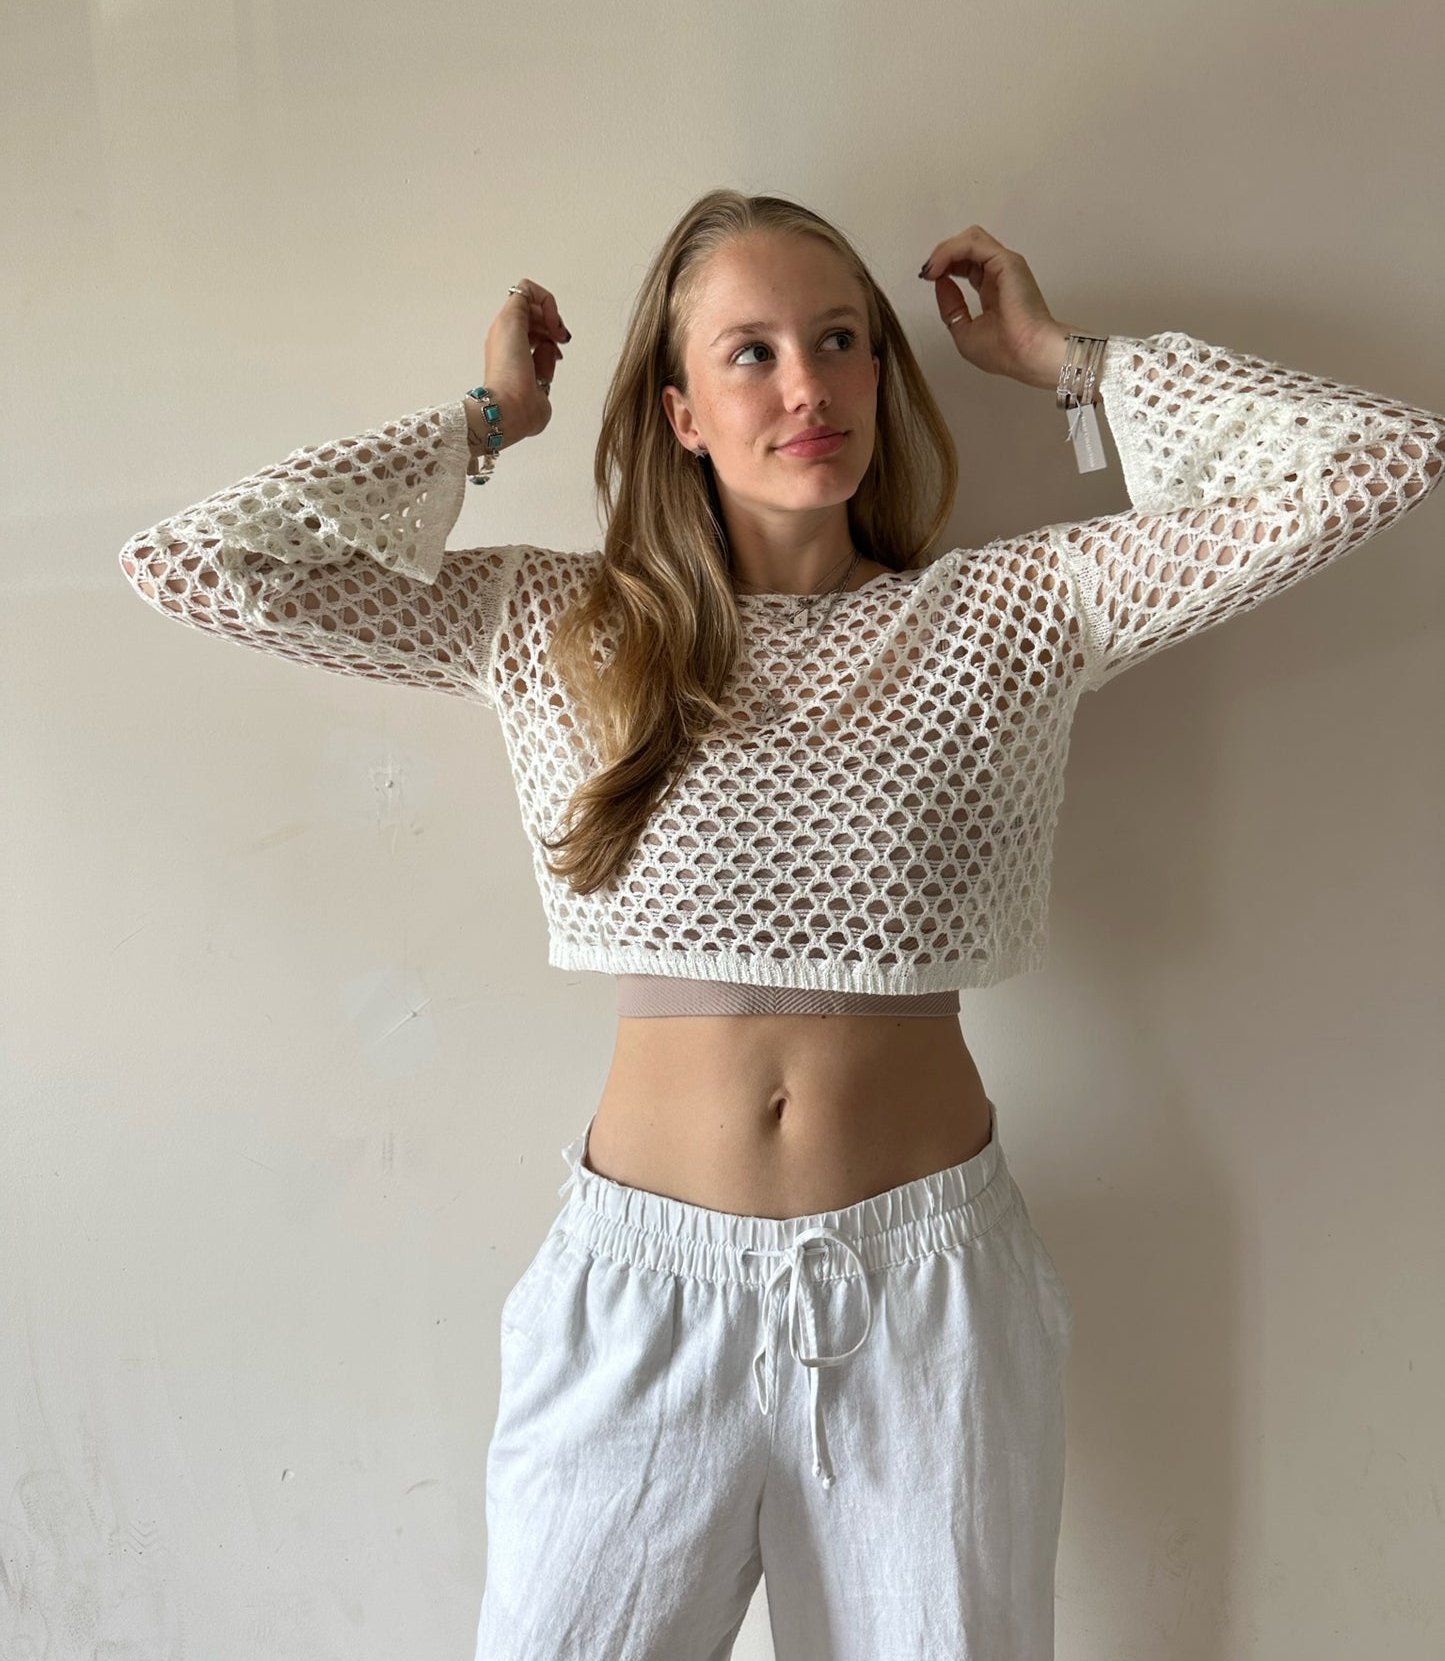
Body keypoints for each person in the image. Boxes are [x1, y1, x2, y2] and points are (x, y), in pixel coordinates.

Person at [118, 200, 1445, 1660]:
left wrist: (1065, 362)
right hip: (638, 1302)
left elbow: (1379, 460)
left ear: (882, 370)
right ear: (679, 412)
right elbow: (198, 564)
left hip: (926, 1302)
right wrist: (490, 418)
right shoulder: (559, 624)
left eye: (840, 340)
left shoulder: (1010, 613)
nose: (807, 386)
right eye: (750, 353)